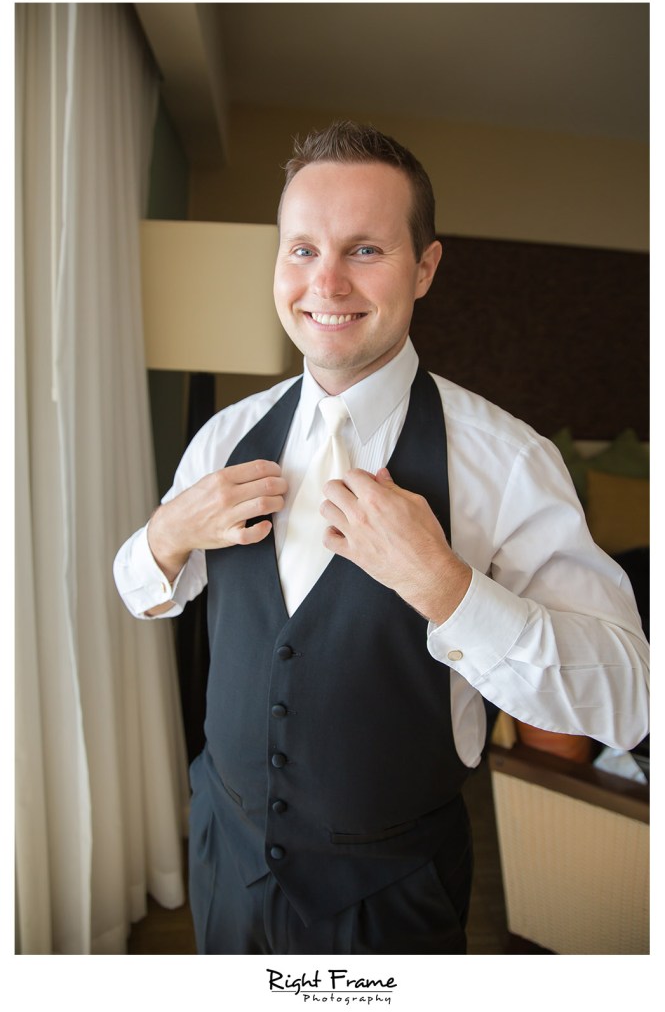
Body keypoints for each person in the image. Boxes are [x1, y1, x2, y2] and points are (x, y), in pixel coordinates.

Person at [114, 120, 649, 955]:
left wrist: (448, 589)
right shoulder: (225, 436)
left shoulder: (509, 461)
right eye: (301, 250)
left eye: (364, 250)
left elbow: (626, 698)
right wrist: (165, 533)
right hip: (226, 856)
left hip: (392, 893)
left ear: (424, 267)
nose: (324, 280)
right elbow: (139, 589)